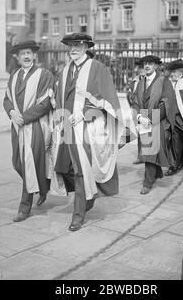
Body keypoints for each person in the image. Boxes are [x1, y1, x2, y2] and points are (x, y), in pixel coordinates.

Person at [51, 33, 123, 232]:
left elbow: (107, 100)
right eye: (71, 45)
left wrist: (83, 113)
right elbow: (58, 98)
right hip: (66, 125)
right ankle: (88, 198)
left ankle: (79, 213)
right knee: (65, 167)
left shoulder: (97, 68)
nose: (73, 49)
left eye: (78, 45)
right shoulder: (65, 71)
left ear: (86, 47)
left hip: (87, 127)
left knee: (81, 169)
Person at [3, 40, 55, 222]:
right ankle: (42, 186)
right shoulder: (14, 75)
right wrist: (10, 111)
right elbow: (6, 99)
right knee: (17, 163)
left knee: (28, 164)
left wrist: (24, 117)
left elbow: (45, 103)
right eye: (22, 53)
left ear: (34, 56)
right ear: (17, 58)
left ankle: (25, 208)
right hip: (17, 128)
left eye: (29, 53)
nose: (26, 56)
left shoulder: (44, 75)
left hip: (36, 127)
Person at [130, 55, 175, 195]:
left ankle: (147, 183)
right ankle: (157, 173)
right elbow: (136, 100)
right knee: (149, 150)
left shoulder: (164, 81)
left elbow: (166, 103)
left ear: (156, 66)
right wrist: (138, 116)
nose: (147, 66)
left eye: (150, 64)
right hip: (143, 120)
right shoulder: (141, 82)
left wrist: (150, 119)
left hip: (157, 121)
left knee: (150, 151)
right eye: (145, 64)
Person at [127, 59, 146, 165]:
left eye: (143, 67)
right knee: (139, 132)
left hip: (146, 109)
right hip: (136, 109)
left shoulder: (149, 80)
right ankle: (140, 156)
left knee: (148, 133)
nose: (141, 70)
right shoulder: (135, 80)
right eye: (140, 68)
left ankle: (150, 157)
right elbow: (128, 94)